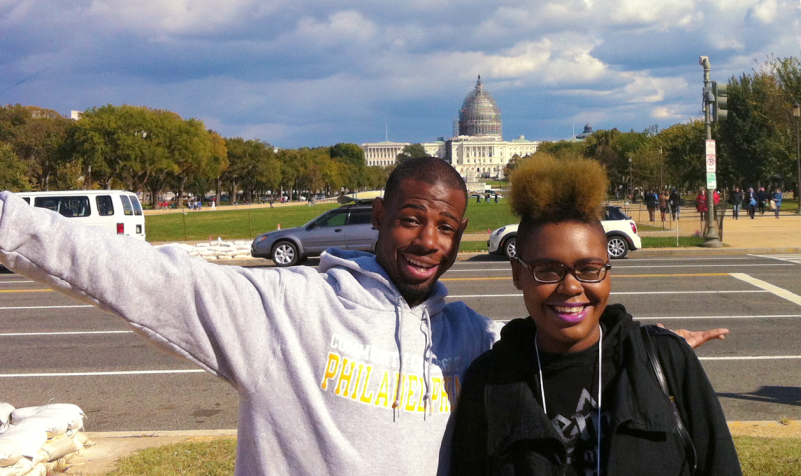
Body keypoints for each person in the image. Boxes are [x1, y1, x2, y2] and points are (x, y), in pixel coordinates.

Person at [0, 157, 728, 476]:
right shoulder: (282, 311)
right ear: (380, 217)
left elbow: (554, 329)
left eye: (446, 229)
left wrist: (641, 344)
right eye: (413, 220)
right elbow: (134, 273)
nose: (429, 243)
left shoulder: (466, 335)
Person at [451, 156, 741, 476]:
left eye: (589, 269)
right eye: (547, 270)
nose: (572, 287)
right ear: (518, 274)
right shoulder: (489, 380)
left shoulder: (667, 362)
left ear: (608, 272)